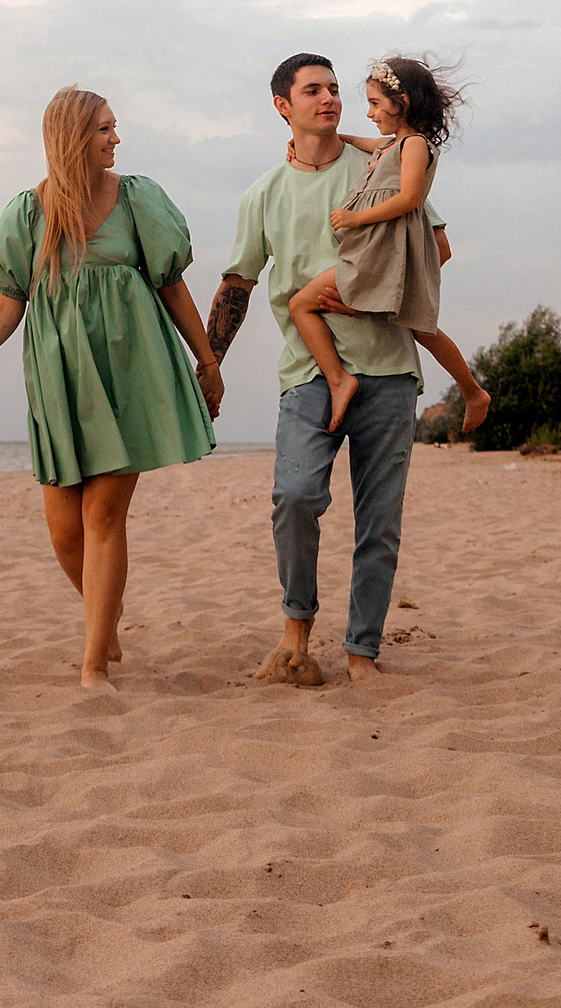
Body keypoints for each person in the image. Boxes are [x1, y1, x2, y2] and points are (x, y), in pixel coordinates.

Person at [0, 86, 225, 691]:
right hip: (59, 378)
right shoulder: (28, 215)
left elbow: (171, 287)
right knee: (65, 532)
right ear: (73, 139)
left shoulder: (139, 200)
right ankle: (104, 619)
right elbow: (6, 309)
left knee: (103, 516)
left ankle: (93, 664)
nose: (116, 138)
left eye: (115, 127)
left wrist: (208, 358)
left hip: (130, 370)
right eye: (104, 130)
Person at [206, 54, 452, 688]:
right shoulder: (263, 193)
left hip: (390, 369)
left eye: (336, 89)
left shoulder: (382, 161)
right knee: (295, 496)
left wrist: (375, 285)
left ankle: (362, 652)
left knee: (379, 522)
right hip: (307, 371)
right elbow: (237, 283)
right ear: (283, 106)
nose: (331, 99)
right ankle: (296, 630)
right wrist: (208, 365)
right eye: (313, 90)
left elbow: (437, 247)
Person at [286, 56, 489, 437]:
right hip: (384, 253)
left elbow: (409, 198)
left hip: (383, 253)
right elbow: (358, 142)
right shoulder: (391, 146)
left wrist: (354, 219)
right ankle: (472, 390)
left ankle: (337, 379)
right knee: (421, 329)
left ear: (404, 103)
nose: (369, 113)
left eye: (376, 104)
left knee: (300, 304)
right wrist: (314, 140)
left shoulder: (413, 145)